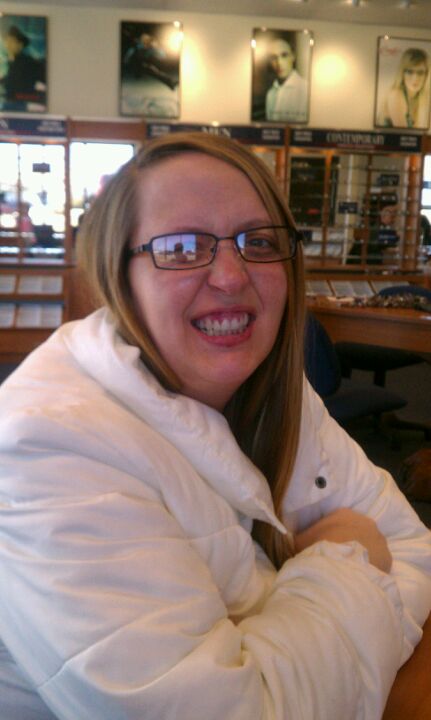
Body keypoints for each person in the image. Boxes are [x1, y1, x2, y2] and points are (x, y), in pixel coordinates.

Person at [0, 132, 430, 720]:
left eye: (259, 241)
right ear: (120, 275)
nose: (231, 275)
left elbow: (413, 549)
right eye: (181, 248)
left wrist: (269, 632)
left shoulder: (276, 389)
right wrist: (345, 554)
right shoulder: (45, 444)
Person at [378, 47, 430, 129]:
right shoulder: (396, 95)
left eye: (420, 73)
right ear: (402, 73)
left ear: (426, 75)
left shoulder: (420, 97)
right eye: (410, 72)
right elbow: (405, 132)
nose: (415, 79)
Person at [0, 24, 46, 109]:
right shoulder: (12, 62)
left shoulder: (27, 61)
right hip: (14, 102)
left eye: (12, 41)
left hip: (22, 104)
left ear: (20, 45)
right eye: (7, 41)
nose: (8, 44)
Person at [265, 35, 308, 123]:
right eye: (274, 58)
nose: (279, 63)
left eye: (284, 55)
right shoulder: (270, 93)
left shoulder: (305, 89)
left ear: (293, 57)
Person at [348, 195, 400, 265]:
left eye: (395, 214)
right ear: (383, 213)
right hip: (362, 265)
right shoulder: (373, 227)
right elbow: (377, 245)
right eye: (391, 213)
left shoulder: (382, 227)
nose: (394, 218)